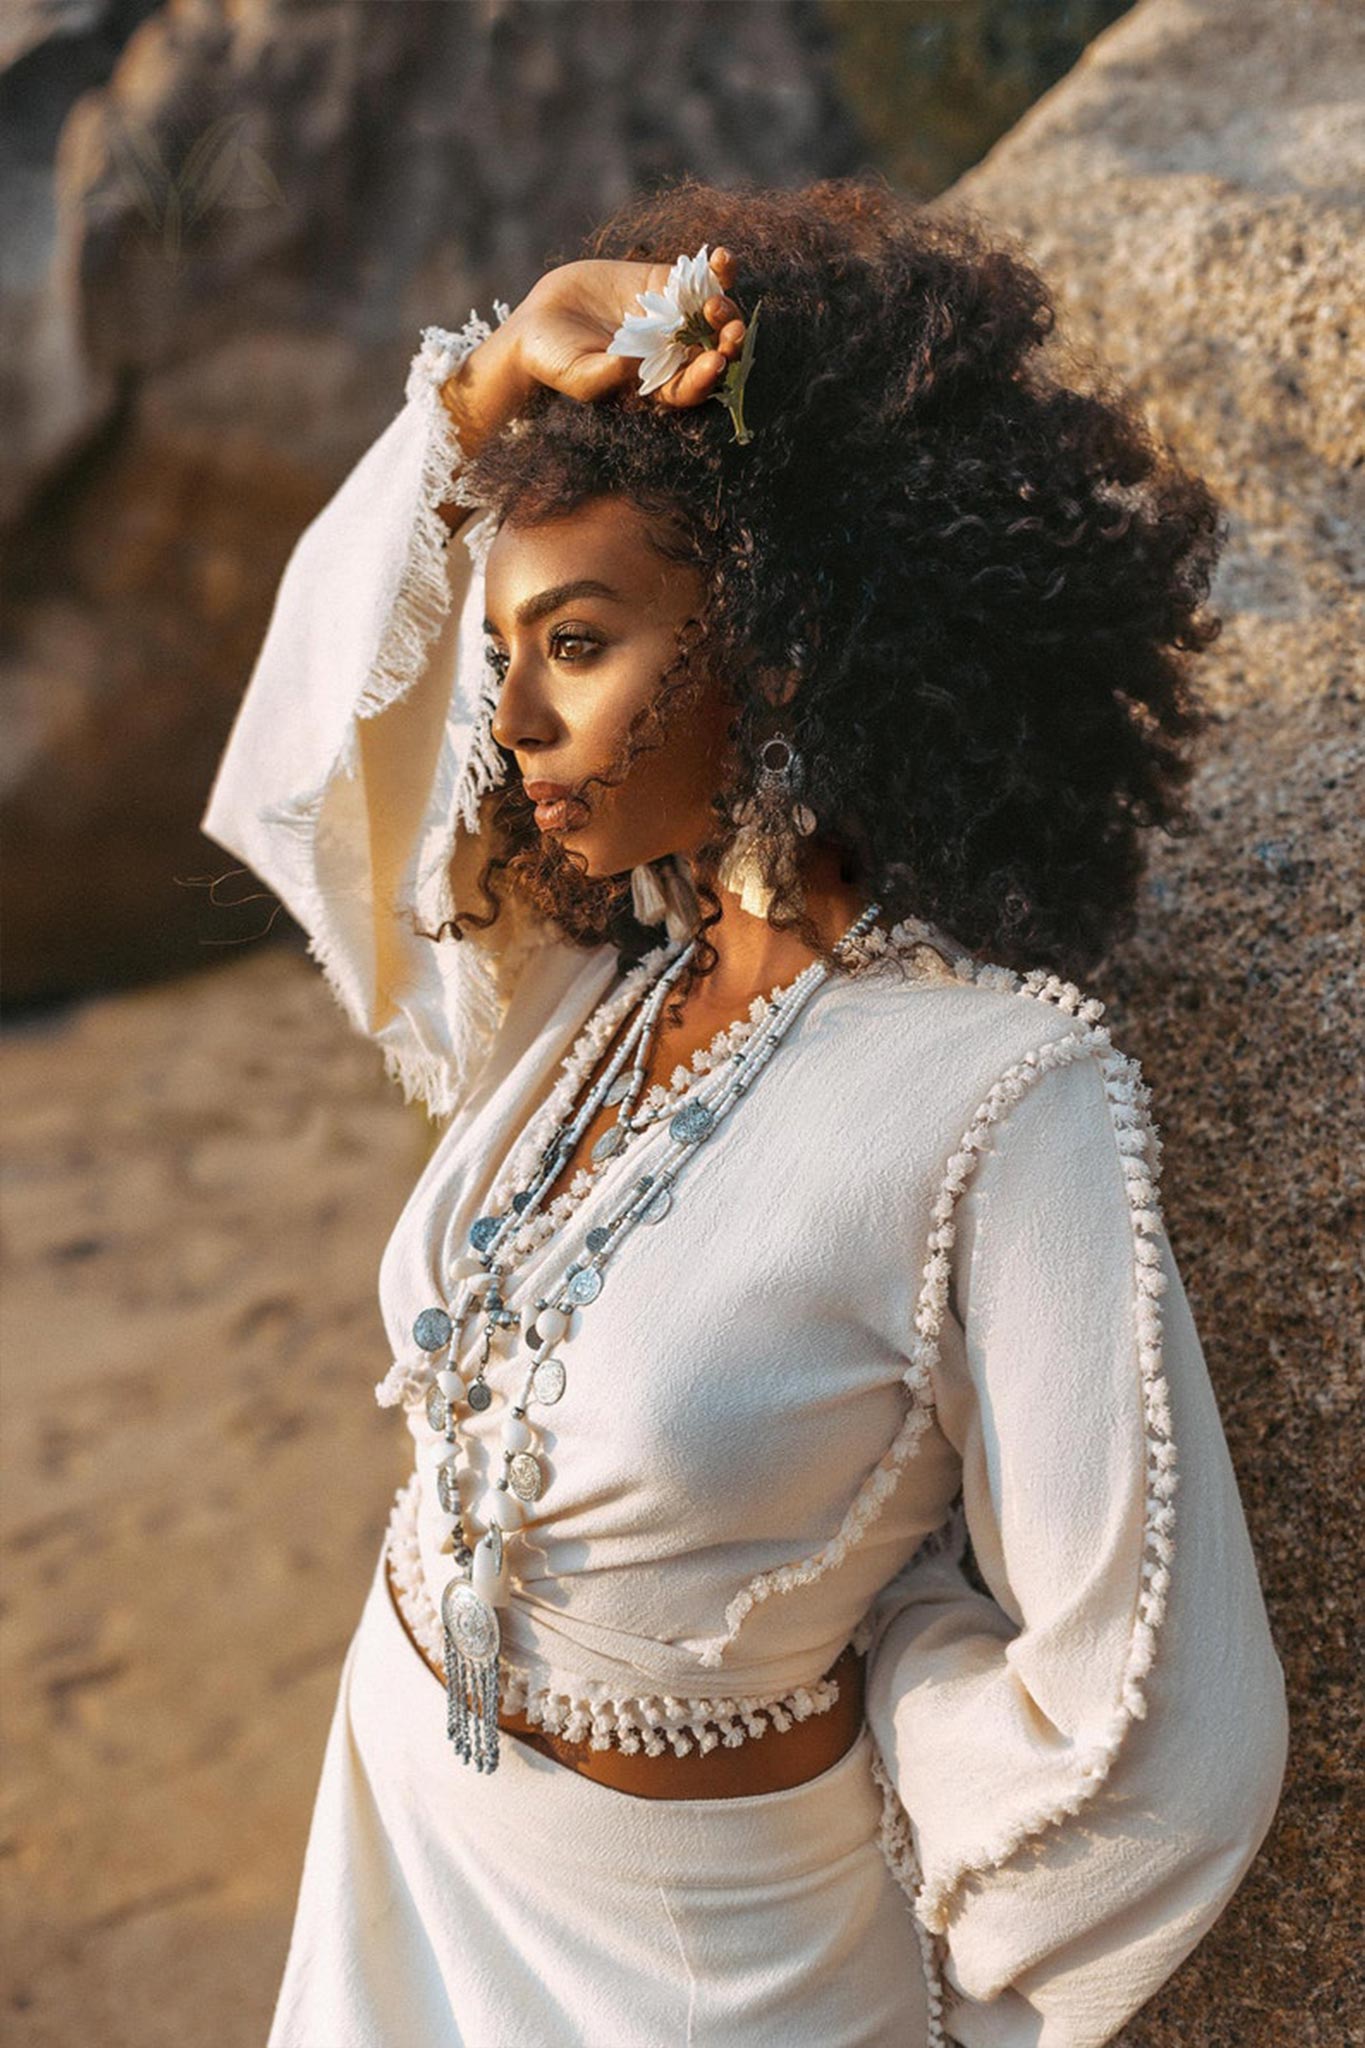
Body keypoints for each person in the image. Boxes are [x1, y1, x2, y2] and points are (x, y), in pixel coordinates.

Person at [200, 175, 1288, 2048]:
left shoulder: (996, 1094)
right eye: (504, 655)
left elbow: (1168, 1721)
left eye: (579, 642)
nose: (511, 727)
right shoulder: (580, 999)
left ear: (776, 646)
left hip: (707, 1972)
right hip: (395, 1861)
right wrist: (496, 375)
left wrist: (896, 1704)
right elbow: (314, 762)